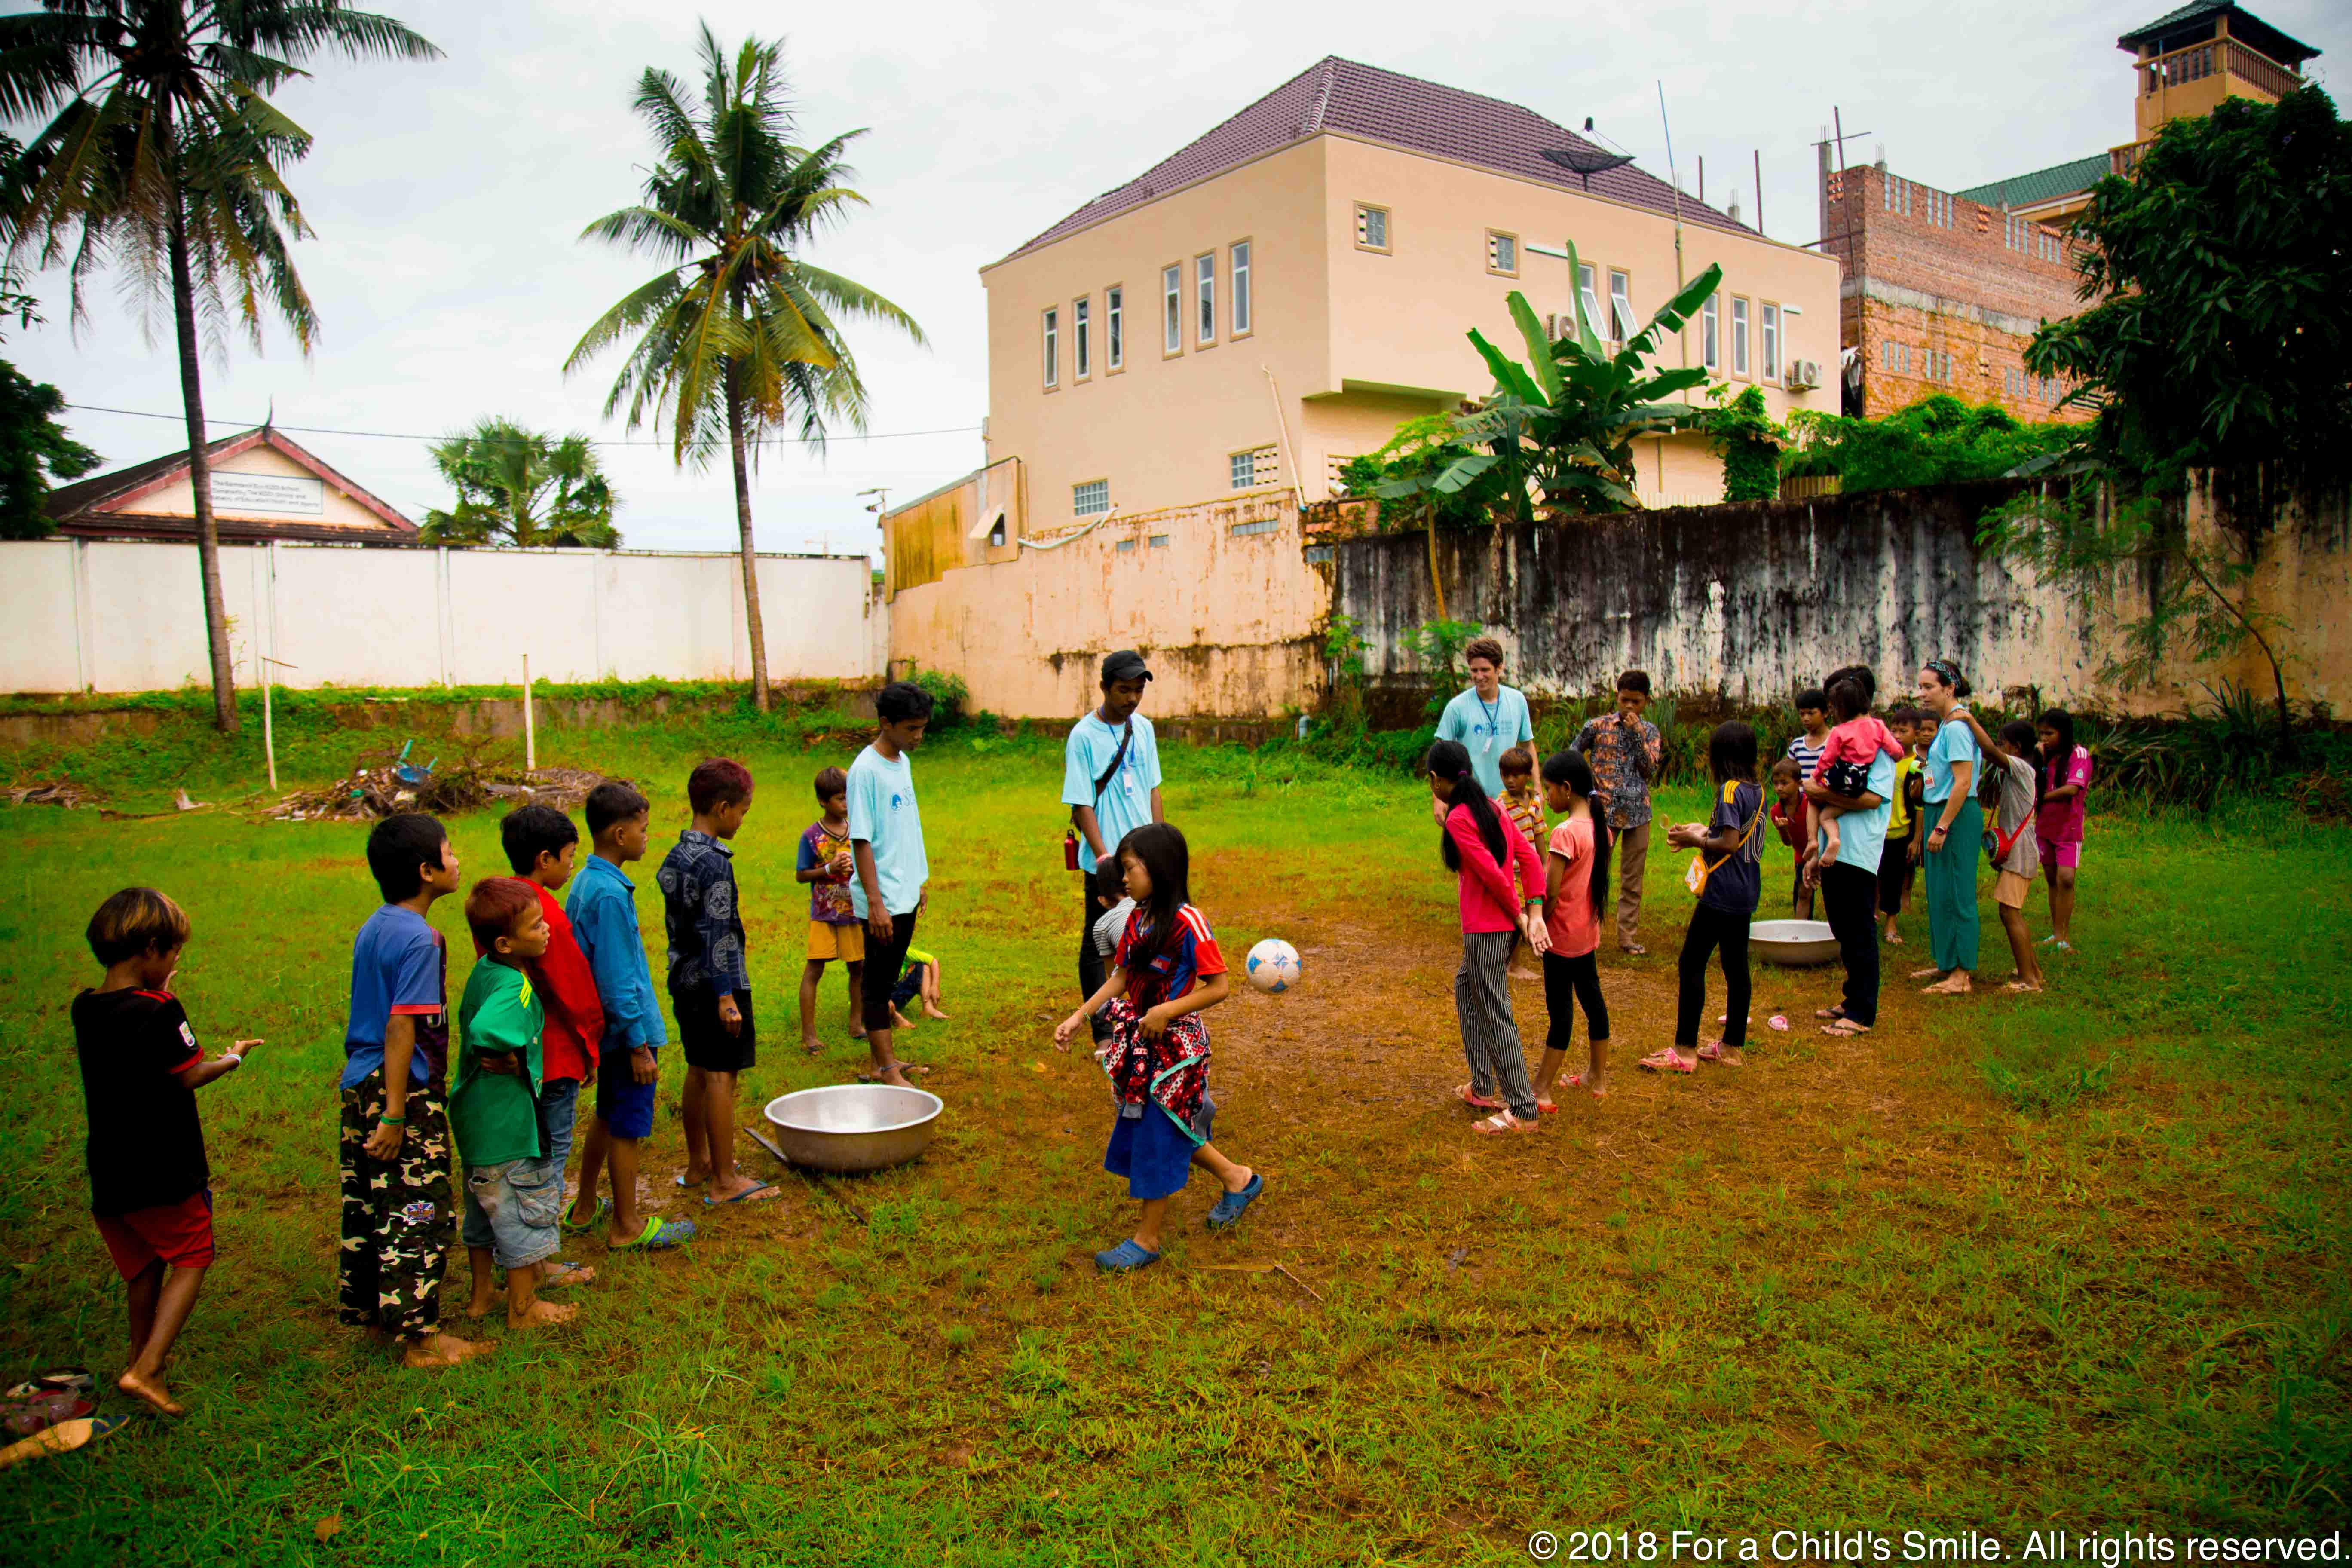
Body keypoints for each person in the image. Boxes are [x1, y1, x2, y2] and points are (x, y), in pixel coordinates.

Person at [72, 888, 261, 1415]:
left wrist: (160, 988)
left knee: (144, 1265)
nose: (177, 961)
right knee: (193, 1256)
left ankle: (137, 1358)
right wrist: (233, 1059)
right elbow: (189, 1074)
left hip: (110, 1169)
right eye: (174, 951)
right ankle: (150, 1368)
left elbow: (130, 1021)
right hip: (164, 1167)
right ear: (151, 949)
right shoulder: (160, 1009)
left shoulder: (85, 1007)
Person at [1054, 824, 1262, 1272]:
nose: (1122, 879)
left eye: (1129, 868)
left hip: (1178, 1048)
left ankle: (1147, 1240)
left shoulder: (1189, 921)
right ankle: (1237, 1178)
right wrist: (1080, 1016)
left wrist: (1168, 1009)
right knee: (1170, 1125)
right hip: (1143, 1040)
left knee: (1156, 1128)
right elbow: (1121, 978)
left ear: (1158, 868)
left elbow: (1219, 985)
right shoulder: (1139, 918)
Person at [337, 813, 487, 1369]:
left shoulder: (376, 925)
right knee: (417, 1208)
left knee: (373, 1202)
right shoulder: (423, 940)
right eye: (449, 853)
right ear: (427, 871)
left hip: (360, 1082)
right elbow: (402, 1026)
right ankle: (420, 1338)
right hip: (400, 1089)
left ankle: (379, 1312)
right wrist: (397, 1113)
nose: (457, 860)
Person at [565, 783, 695, 1252]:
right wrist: (640, 1045)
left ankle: (583, 1207)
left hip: (609, 1032)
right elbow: (618, 980)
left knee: (607, 1114)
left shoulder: (588, 881)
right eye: (643, 829)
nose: (648, 836)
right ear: (620, 835)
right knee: (628, 1126)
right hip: (626, 1036)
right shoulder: (609, 896)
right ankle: (627, 1225)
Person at [453, 878, 576, 1330]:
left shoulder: (486, 968)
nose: (547, 930)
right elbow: (489, 1029)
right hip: (508, 1125)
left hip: (476, 1123)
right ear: (506, 942)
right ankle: (524, 1309)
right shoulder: (516, 986)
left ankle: (482, 1294)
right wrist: (511, 1054)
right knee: (522, 1210)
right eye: (536, 925)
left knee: (483, 1212)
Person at [490, 804, 601, 1290]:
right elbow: (570, 984)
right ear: (543, 859)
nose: (572, 865)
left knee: (524, 1156)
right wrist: (592, 1040)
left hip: (519, 1053)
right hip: (552, 1054)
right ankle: (539, 1259)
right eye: (569, 857)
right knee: (550, 1155)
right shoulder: (542, 912)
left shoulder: (499, 902)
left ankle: (515, 1251)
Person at [659, 758, 775, 1207]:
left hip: (684, 981)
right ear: (723, 808)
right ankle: (725, 1181)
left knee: (698, 1068)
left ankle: (699, 1163)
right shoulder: (715, 864)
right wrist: (726, 997)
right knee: (722, 1076)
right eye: (743, 812)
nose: (743, 821)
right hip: (717, 983)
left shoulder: (676, 855)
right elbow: (715, 932)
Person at [1425, 738, 1549, 1134]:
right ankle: (1481, 1086)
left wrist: (1523, 915)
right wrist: (1534, 910)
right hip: (1498, 929)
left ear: (1436, 781)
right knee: (1466, 988)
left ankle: (1523, 1108)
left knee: (1496, 1012)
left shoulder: (1460, 818)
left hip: (1488, 929)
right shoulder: (1493, 808)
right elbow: (1528, 857)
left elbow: (1491, 874)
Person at [1651, 723, 1766, 1073]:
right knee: (1736, 967)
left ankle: (1684, 1050)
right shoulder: (1757, 789)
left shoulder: (1729, 789)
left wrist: (1695, 841)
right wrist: (1703, 830)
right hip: (1746, 890)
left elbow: (1728, 844)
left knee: (1692, 962)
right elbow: (1731, 834)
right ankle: (1731, 1047)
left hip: (1721, 892)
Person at [1063, 651, 1164, 1045]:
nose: (1132, 699)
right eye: (1124, 690)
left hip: (1146, 858)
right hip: (1107, 860)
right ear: (1104, 687)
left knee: (1151, 936)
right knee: (1099, 942)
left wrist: (1159, 840)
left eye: (1138, 690)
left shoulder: (1145, 729)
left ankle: (1144, 1017)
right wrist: (1104, 857)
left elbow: (1153, 787)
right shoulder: (1083, 736)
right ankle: (1104, 1032)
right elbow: (1081, 802)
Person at [851, 680, 936, 1089]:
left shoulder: (902, 762)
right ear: (886, 723)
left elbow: (906, 828)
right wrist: (876, 903)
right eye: (912, 729)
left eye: (923, 728)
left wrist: (918, 879)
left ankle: (881, 1062)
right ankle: (885, 1070)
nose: (918, 737)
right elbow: (862, 840)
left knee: (886, 974)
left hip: (904, 890)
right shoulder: (865, 771)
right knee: (878, 981)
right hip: (882, 894)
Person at [1804, 677, 1899, 1037]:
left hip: (1859, 849)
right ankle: (1852, 997)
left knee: (1859, 931)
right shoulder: (1846, 741)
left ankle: (1862, 1013)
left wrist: (1817, 792)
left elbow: (1874, 799)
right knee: (1842, 927)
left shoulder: (1879, 748)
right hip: (1837, 849)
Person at [1528, 751, 1612, 1108]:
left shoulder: (1565, 834)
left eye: (1549, 790)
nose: (1547, 798)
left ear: (1566, 788)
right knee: (1593, 1002)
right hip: (1586, 936)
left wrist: (1536, 924)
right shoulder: (1602, 828)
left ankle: (1541, 1089)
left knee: (1560, 1013)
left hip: (1560, 937)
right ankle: (1598, 1078)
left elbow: (1552, 891)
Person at [1952, 709, 2047, 992]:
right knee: (2010, 911)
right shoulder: (2025, 768)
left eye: (2003, 743)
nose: (2000, 747)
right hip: (2020, 851)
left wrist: (1969, 721)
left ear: (2016, 748)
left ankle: (2029, 981)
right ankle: (2033, 971)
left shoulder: (2021, 768)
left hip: (2021, 853)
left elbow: (1991, 754)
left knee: (2010, 912)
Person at [1571, 671, 1662, 955]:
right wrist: (1586, 792)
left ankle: (1627, 937)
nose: (1630, 708)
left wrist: (1637, 735)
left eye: (1637, 702)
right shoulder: (1597, 727)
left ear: (1646, 701)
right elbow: (1572, 756)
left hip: (1638, 813)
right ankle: (1583, 931)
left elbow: (1650, 770)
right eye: (1625, 701)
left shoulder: (1651, 732)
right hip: (1602, 813)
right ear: (1617, 696)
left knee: (1632, 879)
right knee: (1591, 872)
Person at [1913, 661, 1981, 995]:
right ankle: (1946, 961)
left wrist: (1941, 827)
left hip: (1954, 816)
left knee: (1957, 893)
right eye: (1921, 687)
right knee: (1939, 892)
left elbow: (1963, 782)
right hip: (1939, 811)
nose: (1922, 693)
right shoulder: (1946, 725)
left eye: (1929, 687)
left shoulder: (1955, 728)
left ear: (1949, 689)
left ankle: (1961, 973)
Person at [796, 766, 866, 1053]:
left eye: (849, 797)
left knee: (858, 968)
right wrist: (828, 868)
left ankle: (857, 1024)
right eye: (840, 799)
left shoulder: (859, 830)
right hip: (824, 914)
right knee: (815, 969)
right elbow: (801, 874)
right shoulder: (812, 836)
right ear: (823, 801)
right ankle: (809, 1035)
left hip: (854, 912)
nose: (847, 804)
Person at [1805, 681, 1904, 867]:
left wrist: (1816, 778)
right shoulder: (1879, 726)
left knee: (1817, 804)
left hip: (1840, 778)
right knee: (1836, 809)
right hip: (1859, 782)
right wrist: (1898, 756)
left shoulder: (1839, 731)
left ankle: (1820, 839)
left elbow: (1827, 759)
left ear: (1841, 709)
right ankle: (1827, 840)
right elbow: (1897, 751)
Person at [1432, 637, 1534, 806]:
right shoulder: (1457, 707)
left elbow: (1527, 746)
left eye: (1485, 670)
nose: (1479, 676)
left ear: (1499, 667)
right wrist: (1439, 800)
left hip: (1511, 799)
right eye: (1474, 670)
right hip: (1469, 800)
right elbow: (1439, 755)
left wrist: (1536, 786)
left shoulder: (1518, 701)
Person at [2034, 709, 2092, 952]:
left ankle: (2063, 936)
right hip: (2044, 826)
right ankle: (2056, 934)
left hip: (2068, 828)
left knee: (2066, 879)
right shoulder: (2043, 755)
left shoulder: (2079, 755)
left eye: (2050, 733)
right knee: (2051, 879)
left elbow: (2072, 789)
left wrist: (2044, 797)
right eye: (2042, 734)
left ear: (2064, 733)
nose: (2044, 738)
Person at [1496, 744, 1547, 980]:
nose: (1509, 780)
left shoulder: (1535, 801)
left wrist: (1545, 866)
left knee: (1535, 910)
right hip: (1511, 870)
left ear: (1528, 775)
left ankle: (1536, 949)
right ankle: (1513, 965)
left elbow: (1539, 835)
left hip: (1530, 869)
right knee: (1519, 914)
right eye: (1505, 775)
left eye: (1515, 775)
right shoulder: (1501, 805)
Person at [1782, 689, 1831, 919]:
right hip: (1803, 814)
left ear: (1826, 712)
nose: (1806, 719)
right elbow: (1788, 778)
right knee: (1803, 867)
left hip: (1831, 810)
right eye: (1802, 714)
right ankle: (1802, 923)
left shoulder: (1835, 742)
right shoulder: (1797, 746)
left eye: (1811, 713)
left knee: (1829, 865)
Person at [1879, 707, 1921, 945]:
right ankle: (1873, 915)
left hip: (1901, 832)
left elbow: (1921, 807)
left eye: (1903, 731)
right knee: (1874, 876)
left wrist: (1916, 840)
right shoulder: (1883, 760)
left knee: (1894, 878)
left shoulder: (1918, 765)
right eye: (1893, 730)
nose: (1897, 735)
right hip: (1876, 831)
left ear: (1916, 734)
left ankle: (1891, 923)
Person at [1767, 757, 1814, 912]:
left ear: (1799, 784)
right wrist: (1783, 830)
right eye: (1776, 783)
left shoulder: (1810, 803)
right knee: (1803, 894)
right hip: (1802, 856)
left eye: (1784, 783)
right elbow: (1788, 843)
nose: (1779, 788)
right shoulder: (1776, 811)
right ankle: (1800, 932)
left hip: (1821, 853)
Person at [887, 946, 951, 1029]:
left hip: (895, 995)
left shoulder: (904, 950)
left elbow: (933, 961)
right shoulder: (871, 955)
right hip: (879, 1000)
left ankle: (928, 1009)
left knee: (923, 966)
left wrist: (935, 987)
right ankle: (895, 1017)